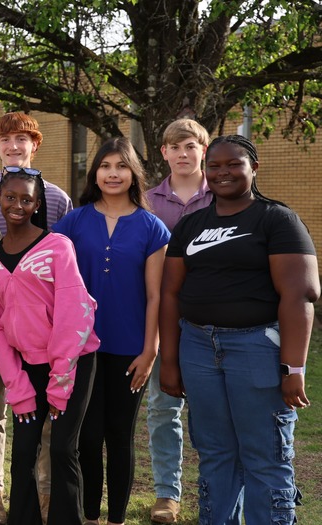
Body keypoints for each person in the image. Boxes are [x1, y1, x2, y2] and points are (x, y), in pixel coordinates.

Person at [160, 135, 318, 525]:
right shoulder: (191, 224)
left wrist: (292, 369)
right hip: (197, 346)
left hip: (256, 347)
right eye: (214, 166)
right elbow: (170, 293)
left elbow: (300, 295)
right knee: (215, 453)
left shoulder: (276, 219)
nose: (222, 172)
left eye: (234, 164)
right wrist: (170, 361)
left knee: (265, 454)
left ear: (254, 168)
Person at [53, 137, 169, 525]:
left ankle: (116, 519)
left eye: (121, 166)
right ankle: (89, 517)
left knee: (120, 435)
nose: (113, 173)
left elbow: (156, 296)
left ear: (133, 173)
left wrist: (150, 350)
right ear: (95, 174)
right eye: (105, 166)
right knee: (86, 436)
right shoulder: (73, 221)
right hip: (81, 347)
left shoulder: (152, 228)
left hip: (129, 346)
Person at [0, 112, 73, 524]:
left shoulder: (59, 199)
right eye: (5, 139)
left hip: (44, 332)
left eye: (22, 139)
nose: (14, 145)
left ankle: (43, 496)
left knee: (45, 421)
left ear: (34, 145)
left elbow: (65, 263)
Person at [0, 168, 99, 525]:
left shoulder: (57, 246)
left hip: (71, 363)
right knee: (22, 454)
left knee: (63, 449)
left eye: (27, 199)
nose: (18, 205)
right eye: (10, 197)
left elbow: (73, 311)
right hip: (25, 369)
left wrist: (61, 378)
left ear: (37, 204)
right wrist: (17, 386)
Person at [144, 118, 212, 524]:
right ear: (164, 152)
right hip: (162, 321)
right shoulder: (148, 201)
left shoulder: (224, 193)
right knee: (163, 408)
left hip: (210, 318)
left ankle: (213, 487)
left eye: (191, 146)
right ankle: (167, 494)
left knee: (210, 410)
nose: (183, 154)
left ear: (203, 149)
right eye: (175, 147)